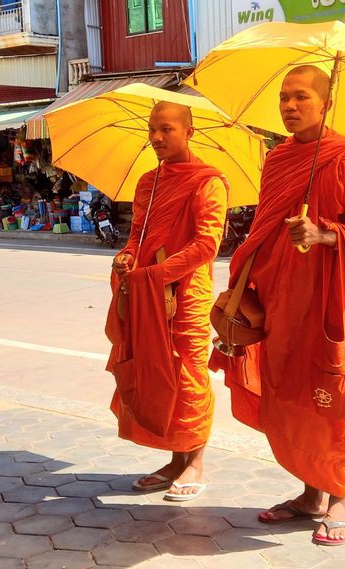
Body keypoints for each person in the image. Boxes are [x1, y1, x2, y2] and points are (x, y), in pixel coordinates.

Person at [210, 65, 345, 546]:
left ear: (326, 103)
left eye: (301, 97)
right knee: (289, 394)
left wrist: (323, 234)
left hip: (329, 297)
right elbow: (265, 226)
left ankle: (340, 498)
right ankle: (311, 495)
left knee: (333, 393)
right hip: (279, 296)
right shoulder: (278, 159)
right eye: (284, 98)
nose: (289, 106)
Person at [106, 101, 228, 502]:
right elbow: (138, 232)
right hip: (147, 293)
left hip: (187, 295)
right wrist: (126, 255)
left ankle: (194, 461)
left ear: (189, 132)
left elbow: (206, 245)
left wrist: (159, 275)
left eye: (167, 129)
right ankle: (175, 460)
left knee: (188, 374)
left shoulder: (208, 181)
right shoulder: (147, 182)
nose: (157, 137)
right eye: (152, 129)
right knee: (155, 373)